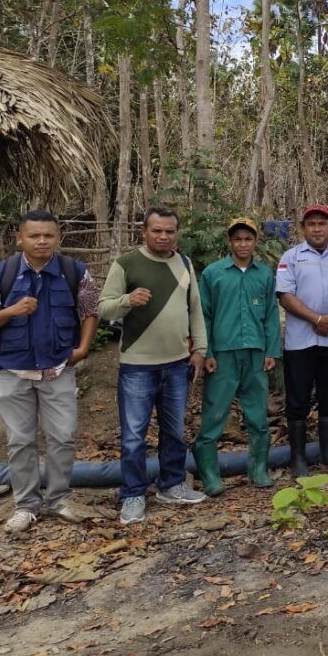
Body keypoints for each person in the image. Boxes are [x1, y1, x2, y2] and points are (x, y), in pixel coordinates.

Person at [0, 210, 98, 534]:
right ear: (20, 238)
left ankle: (58, 500)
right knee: (20, 441)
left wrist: (82, 349)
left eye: (48, 236)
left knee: (63, 437)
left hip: (58, 370)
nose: (42, 241)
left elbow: (90, 311)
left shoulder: (74, 272)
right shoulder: (0, 274)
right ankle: (26, 506)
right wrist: (13, 310)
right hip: (12, 372)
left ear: (58, 237)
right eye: (34, 236)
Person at [99, 206, 208, 524]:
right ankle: (132, 494)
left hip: (176, 363)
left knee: (175, 430)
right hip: (137, 365)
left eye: (170, 231)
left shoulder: (184, 263)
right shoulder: (126, 263)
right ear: (144, 232)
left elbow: (196, 310)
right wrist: (127, 301)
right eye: (157, 230)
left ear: (177, 233)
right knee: (134, 435)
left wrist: (199, 348)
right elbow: (103, 308)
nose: (163, 236)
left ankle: (172, 484)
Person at [193, 218, 281, 496]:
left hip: (255, 353)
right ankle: (210, 476)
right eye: (237, 239)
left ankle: (258, 470)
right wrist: (206, 351)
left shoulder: (264, 274)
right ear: (230, 242)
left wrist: (271, 351)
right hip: (223, 354)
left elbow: (271, 315)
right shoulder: (213, 274)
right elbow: (203, 315)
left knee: (257, 414)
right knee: (214, 414)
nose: (243, 244)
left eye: (248, 239)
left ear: (256, 242)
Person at [275, 204, 328, 477]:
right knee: (298, 400)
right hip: (301, 341)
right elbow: (285, 295)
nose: (317, 229)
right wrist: (317, 320)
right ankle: (298, 458)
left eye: (322, 224)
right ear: (303, 228)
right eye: (312, 224)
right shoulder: (291, 256)